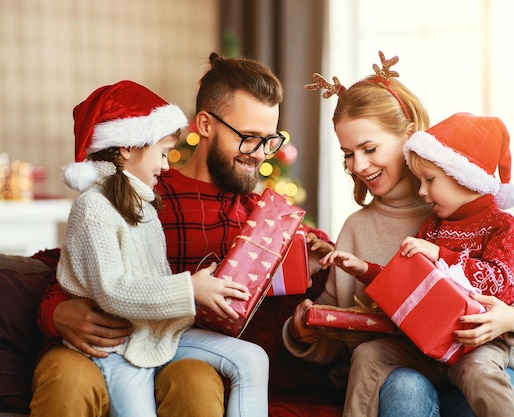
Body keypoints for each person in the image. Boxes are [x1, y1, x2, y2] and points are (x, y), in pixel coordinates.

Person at [32, 52, 333, 417]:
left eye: (270, 140)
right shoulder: (143, 195)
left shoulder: (265, 218)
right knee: (68, 379)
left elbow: (319, 288)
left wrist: (314, 263)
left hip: (184, 350)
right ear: (205, 124)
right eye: (249, 138)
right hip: (109, 343)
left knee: (196, 382)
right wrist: (56, 311)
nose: (260, 155)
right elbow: (69, 262)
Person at [283, 51, 514, 417]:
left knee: (478, 378)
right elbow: (345, 324)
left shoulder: (468, 209)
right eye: (347, 154)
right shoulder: (358, 228)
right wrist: (302, 330)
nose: (358, 165)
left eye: (369, 148)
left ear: (409, 135)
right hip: (407, 368)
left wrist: (512, 318)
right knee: (403, 384)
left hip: (481, 364)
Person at [55, 79, 270, 417]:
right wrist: (190, 287)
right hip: (118, 346)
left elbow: (152, 278)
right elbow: (113, 291)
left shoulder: (143, 203)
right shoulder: (94, 208)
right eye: (163, 153)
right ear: (128, 147)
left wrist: (198, 285)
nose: (167, 165)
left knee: (252, 358)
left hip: (161, 334)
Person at [321, 111, 514, 417]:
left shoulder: (503, 227)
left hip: (476, 348)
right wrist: (363, 270)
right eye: (420, 181)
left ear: (463, 176)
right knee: (368, 353)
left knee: (484, 376)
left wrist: (440, 255)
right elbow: (408, 280)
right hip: (424, 348)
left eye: (429, 180)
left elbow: (497, 281)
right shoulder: (432, 226)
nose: (422, 191)